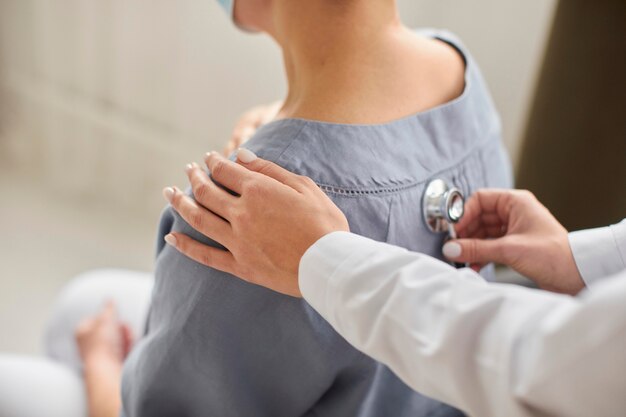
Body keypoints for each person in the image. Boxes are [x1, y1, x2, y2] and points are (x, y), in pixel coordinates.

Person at [0, 0, 512, 416]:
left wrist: (102, 366)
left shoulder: (246, 218)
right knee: (82, 300)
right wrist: (286, 127)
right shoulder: (456, 69)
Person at [163, 149, 626, 417]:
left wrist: (322, 258)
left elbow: (528, 365)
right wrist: (581, 261)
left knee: (91, 298)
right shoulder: (457, 72)